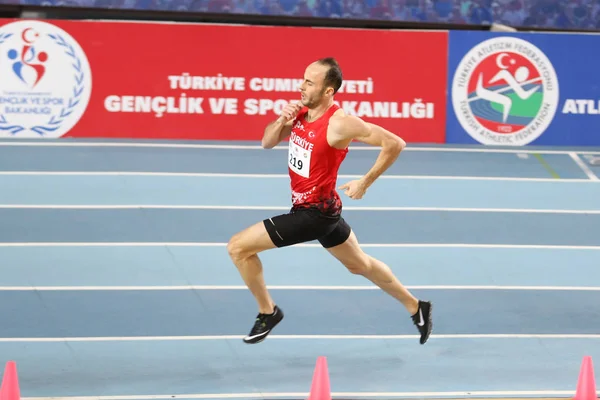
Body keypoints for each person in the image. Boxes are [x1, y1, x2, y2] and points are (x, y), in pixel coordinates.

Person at [226, 57, 433, 345]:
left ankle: (268, 312)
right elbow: (267, 142)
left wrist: (365, 181)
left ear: (328, 91)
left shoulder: (341, 123)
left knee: (237, 248)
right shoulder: (301, 112)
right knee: (360, 264)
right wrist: (282, 119)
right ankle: (416, 307)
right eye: (303, 79)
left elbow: (395, 143)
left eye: (309, 83)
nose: (301, 86)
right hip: (324, 208)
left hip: (314, 215)